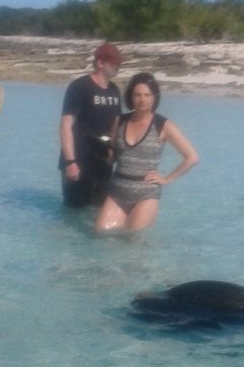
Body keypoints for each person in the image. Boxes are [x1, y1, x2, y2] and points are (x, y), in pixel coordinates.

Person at [94, 72, 198, 233]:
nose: (142, 99)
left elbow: (192, 157)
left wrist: (167, 179)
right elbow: (112, 157)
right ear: (131, 97)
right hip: (117, 191)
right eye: (138, 95)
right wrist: (99, 149)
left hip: (146, 194)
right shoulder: (120, 121)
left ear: (154, 97)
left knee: (133, 241)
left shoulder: (163, 125)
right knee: (100, 233)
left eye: (147, 95)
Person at [59, 42, 124, 208]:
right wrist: (70, 162)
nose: (118, 66)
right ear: (100, 63)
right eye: (114, 63)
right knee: (74, 214)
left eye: (119, 63)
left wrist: (112, 152)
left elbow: (115, 123)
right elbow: (66, 125)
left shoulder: (114, 90)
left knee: (98, 212)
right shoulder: (79, 87)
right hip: (79, 163)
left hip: (102, 164)